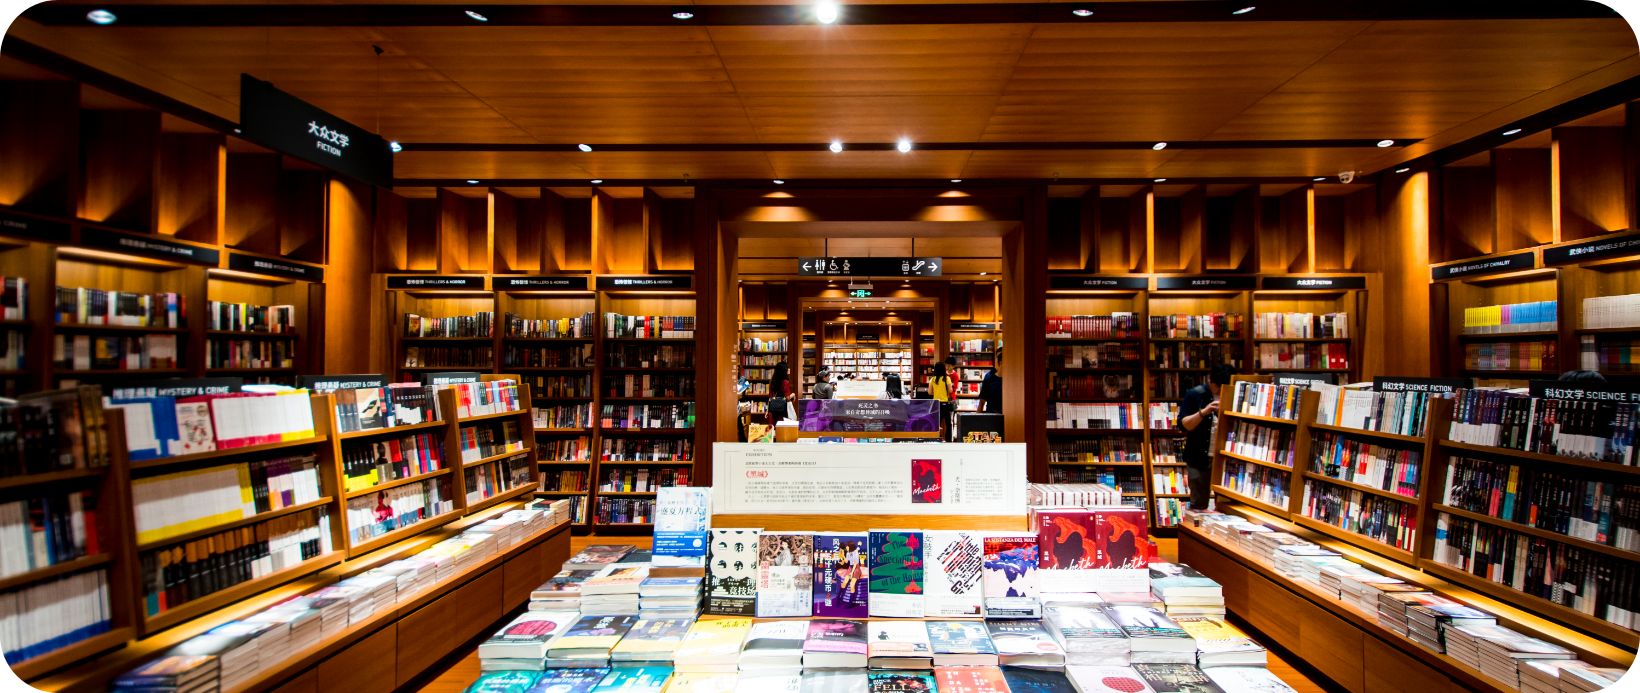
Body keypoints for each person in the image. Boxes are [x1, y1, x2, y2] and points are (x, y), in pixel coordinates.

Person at [1178, 363, 1236, 511]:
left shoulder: (1236, 395)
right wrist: (1204, 412)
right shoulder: (1194, 394)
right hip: (1198, 459)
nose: (1219, 390)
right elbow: (1183, 425)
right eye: (1217, 386)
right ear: (1210, 379)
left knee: (1227, 506)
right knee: (1198, 504)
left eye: (1224, 387)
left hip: (1226, 458)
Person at [929, 361, 954, 440]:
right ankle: (948, 439)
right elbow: (950, 390)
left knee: (937, 423)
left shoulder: (932, 379)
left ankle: (936, 438)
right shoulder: (947, 379)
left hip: (936, 404)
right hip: (945, 403)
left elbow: (929, 392)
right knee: (948, 423)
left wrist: (936, 392)